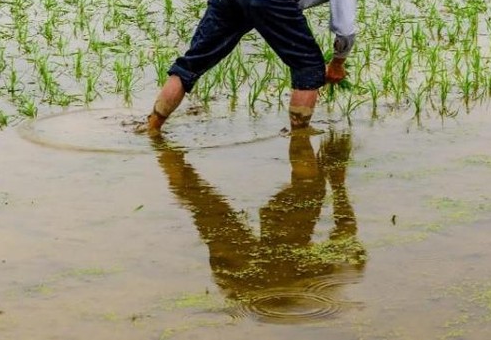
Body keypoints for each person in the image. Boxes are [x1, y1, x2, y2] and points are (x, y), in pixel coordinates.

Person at [140, 0, 365, 134]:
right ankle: (301, 144)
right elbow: (344, 28)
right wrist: (337, 64)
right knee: (308, 65)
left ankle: (153, 126)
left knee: (192, 63)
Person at [152, 131, 365, 314]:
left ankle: (160, 146)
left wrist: (337, 184)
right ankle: (163, 150)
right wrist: (337, 184)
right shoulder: (334, 270)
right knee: (202, 205)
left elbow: (346, 229)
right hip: (242, 277)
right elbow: (345, 229)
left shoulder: (328, 272)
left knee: (203, 204)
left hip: (237, 275)